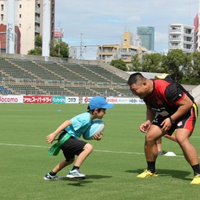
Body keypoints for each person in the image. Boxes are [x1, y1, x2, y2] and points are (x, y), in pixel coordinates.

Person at [127, 72, 200, 185]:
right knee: (150, 137)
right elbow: (151, 108)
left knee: (181, 138)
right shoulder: (145, 93)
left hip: (186, 110)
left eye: (135, 90)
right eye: (132, 90)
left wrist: (171, 119)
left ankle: (198, 174)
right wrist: (148, 121)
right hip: (167, 113)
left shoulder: (167, 88)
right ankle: (151, 170)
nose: (134, 93)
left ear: (145, 84)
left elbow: (188, 103)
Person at [44, 96, 114, 180]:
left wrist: (95, 137)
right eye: (104, 110)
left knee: (69, 160)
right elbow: (67, 122)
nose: (105, 112)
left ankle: (51, 175)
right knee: (89, 147)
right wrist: (54, 134)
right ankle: (75, 170)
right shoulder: (86, 117)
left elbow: (85, 135)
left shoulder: (90, 120)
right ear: (96, 110)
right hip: (67, 138)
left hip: (67, 138)